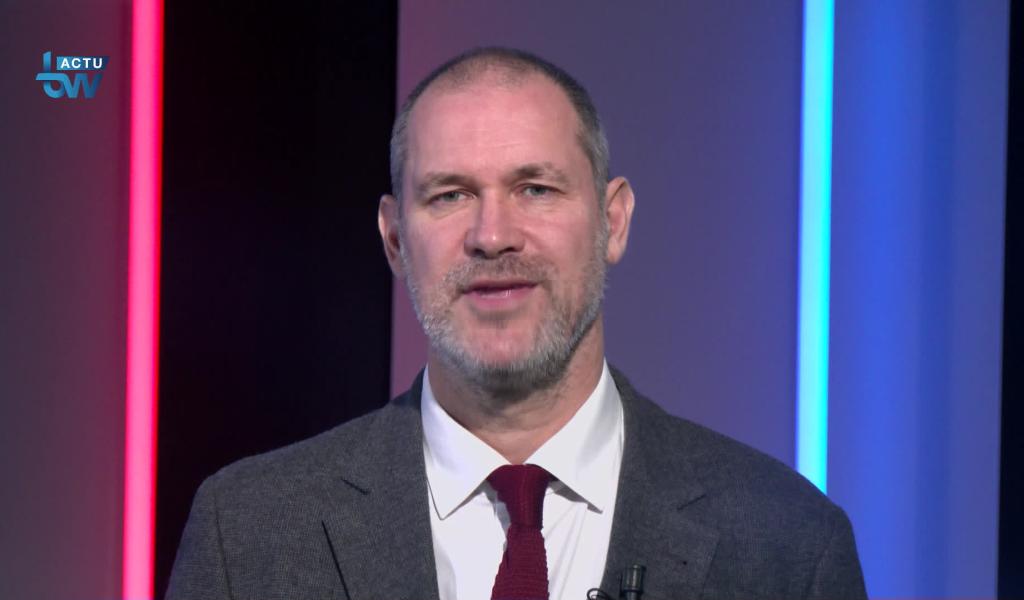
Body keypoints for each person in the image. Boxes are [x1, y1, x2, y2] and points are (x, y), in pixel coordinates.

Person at [166, 47, 867, 600]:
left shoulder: (787, 545)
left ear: (613, 221)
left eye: (535, 188)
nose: (493, 236)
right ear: (395, 240)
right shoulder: (249, 533)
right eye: (450, 195)